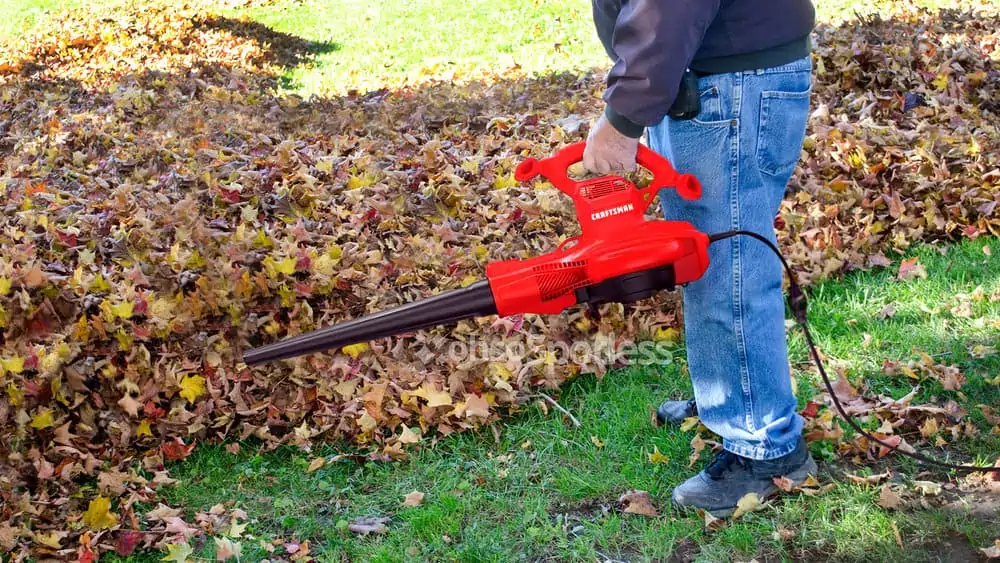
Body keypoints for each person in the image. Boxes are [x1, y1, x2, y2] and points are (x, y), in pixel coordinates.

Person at [581, 0, 819, 517]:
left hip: (729, 82)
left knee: (726, 269)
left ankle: (763, 445)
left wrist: (623, 117)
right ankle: (730, 392)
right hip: (708, 74)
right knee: (706, 260)